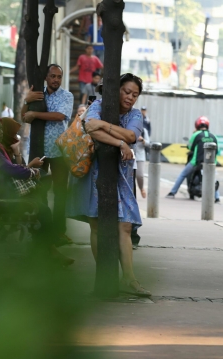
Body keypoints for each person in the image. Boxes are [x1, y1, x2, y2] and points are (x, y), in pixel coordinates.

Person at [67, 73, 150, 297]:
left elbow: (132, 135)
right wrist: (120, 141)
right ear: (117, 90)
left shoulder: (135, 115)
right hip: (94, 172)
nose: (130, 97)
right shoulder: (101, 104)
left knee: (124, 226)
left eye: (135, 94)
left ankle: (129, 279)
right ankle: (104, 273)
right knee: (96, 224)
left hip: (121, 175)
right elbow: (88, 127)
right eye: (126, 91)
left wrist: (105, 126)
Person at [0, 115, 74, 266]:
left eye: (2, 129)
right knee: (43, 209)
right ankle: (46, 250)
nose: (1, 132)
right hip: (1, 199)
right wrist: (31, 172)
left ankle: (47, 249)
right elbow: (9, 169)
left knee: (39, 202)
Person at [21, 64, 74, 245]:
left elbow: (60, 116)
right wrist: (27, 101)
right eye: (52, 76)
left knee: (60, 193)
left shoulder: (67, 96)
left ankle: (59, 232)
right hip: (39, 150)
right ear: (46, 77)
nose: (56, 80)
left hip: (59, 151)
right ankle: (43, 229)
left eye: (59, 77)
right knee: (39, 189)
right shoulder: (37, 94)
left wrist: (35, 113)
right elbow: (24, 116)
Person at [166, 116, 220, 202]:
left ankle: (172, 193)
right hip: (211, 163)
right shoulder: (214, 136)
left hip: (196, 162)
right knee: (212, 178)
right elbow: (217, 151)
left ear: (197, 125)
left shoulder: (196, 135)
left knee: (183, 175)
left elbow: (190, 147)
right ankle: (217, 197)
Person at [135, 127, 150, 199]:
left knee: (139, 175)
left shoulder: (144, 130)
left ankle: (141, 188)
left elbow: (148, 143)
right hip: (131, 153)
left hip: (140, 155)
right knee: (130, 175)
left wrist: (142, 140)